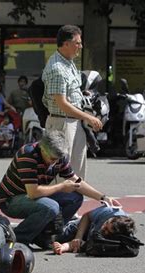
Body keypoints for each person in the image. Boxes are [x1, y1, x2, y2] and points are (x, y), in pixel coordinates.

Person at [0, 130, 121, 249]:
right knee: (51, 207)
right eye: (52, 159)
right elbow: (33, 193)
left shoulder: (59, 156)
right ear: (42, 148)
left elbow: (76, 181)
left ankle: (43, 235)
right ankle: (17, 238)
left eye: (57, 160)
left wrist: (103, 197)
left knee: (75, 197)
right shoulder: (28, 155)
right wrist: (61, 186)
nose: (53, 163)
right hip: (11, 200)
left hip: (33, 196)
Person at [42, 25, 103, 179]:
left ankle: (74, 202)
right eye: (77, 43)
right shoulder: (57, 69)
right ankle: (61, 203)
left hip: (73, 122)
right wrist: (88, 117)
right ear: (66, 44)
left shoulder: (68, 62)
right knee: (62, 176)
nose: (80, 47)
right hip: (62, 124)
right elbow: (62, 104)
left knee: (77, 174)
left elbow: (72, 92)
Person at [53, 206, 135, 255]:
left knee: (49, 242)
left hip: (91, 235)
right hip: (82, 225)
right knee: (53, 237)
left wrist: (62, 248)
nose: (103, 229)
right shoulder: (109, 212)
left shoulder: (122, 239)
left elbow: (79, 245)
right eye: (105, 225)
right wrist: (78, 237)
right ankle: (68, 216)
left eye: (108, 231)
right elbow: (87, 215)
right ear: (110, 219)